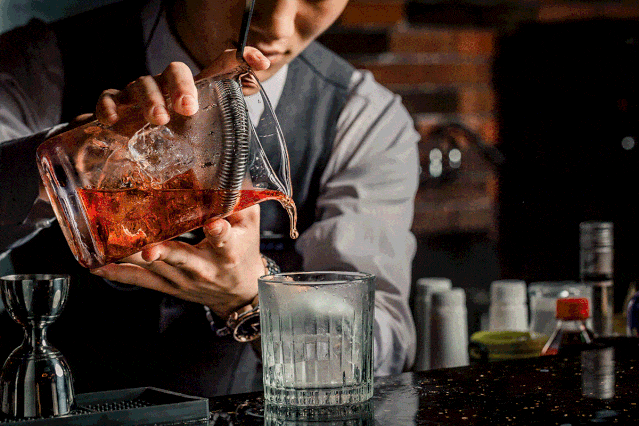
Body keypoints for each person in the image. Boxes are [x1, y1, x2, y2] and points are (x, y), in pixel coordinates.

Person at [0, 0, 420, 397]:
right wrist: (71, 159)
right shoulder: (40, 63)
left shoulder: (365, 119)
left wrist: (254, 299)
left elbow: (380, 352)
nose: (276, 25)